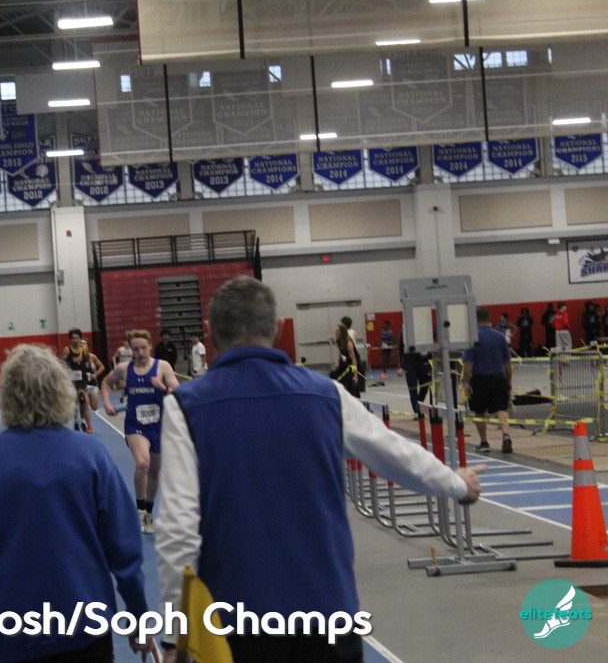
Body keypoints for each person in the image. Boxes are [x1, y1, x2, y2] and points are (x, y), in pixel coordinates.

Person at [155, 277, 484, 662]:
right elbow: (395, 454)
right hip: (328, 614)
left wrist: (175, 635)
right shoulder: (327, 395)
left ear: (209, 333)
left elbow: (178, 528)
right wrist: (456, 484)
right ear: (279, 329)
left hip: (236, 622)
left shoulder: (186, 406)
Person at [0, 344, 152, 663]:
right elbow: (124, 549)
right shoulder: (91, 455)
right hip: (85, 630)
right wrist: (138, 617)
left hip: (11, 635)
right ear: (61, 392)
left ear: (7, 396)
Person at [101, 329, 181, 534]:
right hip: (135, 425)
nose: (140, 352)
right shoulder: (124, 369)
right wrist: (107, 403)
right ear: (131, 350)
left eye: (143, 348)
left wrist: (162, 387)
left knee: (155, 471)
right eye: (135, 349)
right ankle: (139, 510)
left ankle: (149, 511)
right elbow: (106, 382)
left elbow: (178, 392)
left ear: (150, 346)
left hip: (160, 425)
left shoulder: (162, 366)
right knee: (143, 463)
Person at [462, 307, 514, 454]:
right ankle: (505, 435)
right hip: (498, 377)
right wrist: (508, 381)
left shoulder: (472, 338)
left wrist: (466, 382)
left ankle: (484, 442)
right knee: (501, 408)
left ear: (475, 319)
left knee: (479, 412)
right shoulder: (499, 336)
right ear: (489, 317)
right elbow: (507, 363)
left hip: (479, 379)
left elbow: (468, 364)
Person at [61, 328, 94, 432]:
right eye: (73, 338)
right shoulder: (67, 350)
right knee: (75, 402)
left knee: (83, 400)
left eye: (77, 338)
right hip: (72, 379)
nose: (75, 340)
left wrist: (90, 368)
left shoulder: (83, 350)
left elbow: (87, 362)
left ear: (80, 339)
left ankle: (85, 423)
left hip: (82, 378)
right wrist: (73, 361)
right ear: (70, 339)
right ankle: (76, 420)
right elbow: (62, 364)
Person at [331, 322, 361, 398]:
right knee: (333, 374)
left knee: (349, 379)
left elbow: (353, 359)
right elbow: (340, 351)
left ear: (342, 332)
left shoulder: (348, 343)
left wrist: (355, 375)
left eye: (337, 331)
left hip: (352, 362)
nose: (335, 332)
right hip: (345, 361)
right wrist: (337, 362)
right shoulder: (339, 340)